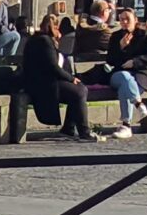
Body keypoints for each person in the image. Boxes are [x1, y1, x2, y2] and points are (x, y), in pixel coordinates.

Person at [15, 15, 97, 143]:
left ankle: (69, 127)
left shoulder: (39, 39)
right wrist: (71, 79)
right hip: (43, 84)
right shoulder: (44, 41)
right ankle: (84, 132)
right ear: (54, 27)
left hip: (44, 80)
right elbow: (52, 66)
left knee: (79, 90)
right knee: (79, 92)